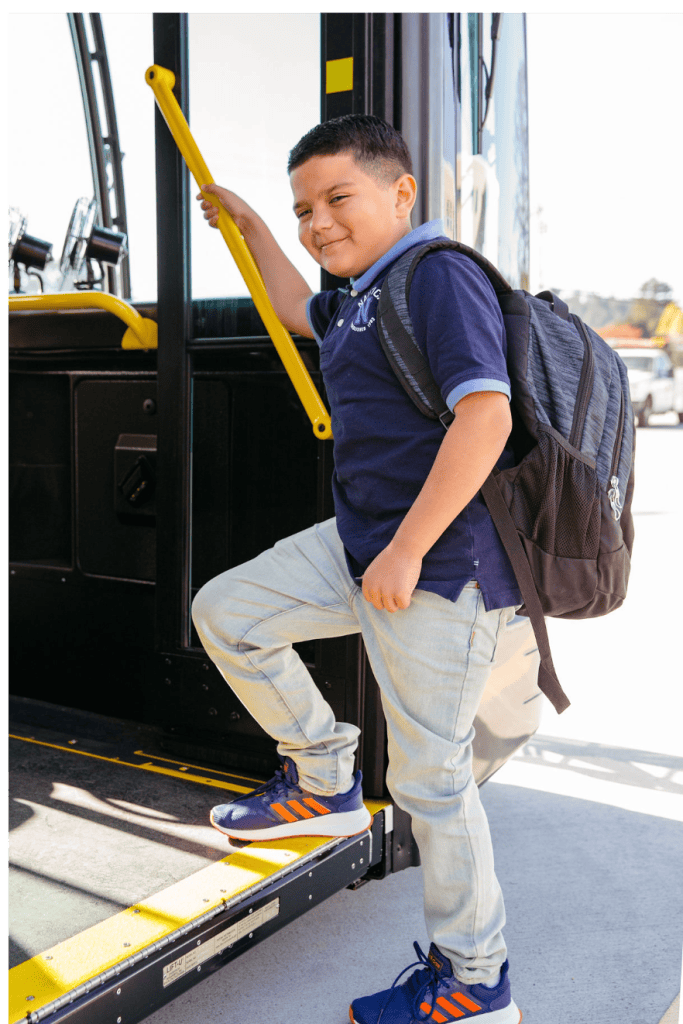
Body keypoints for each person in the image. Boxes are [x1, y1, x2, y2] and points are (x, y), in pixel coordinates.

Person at [192, 114, 523, 1024]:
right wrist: (254, 227)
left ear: (400, 192)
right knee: (229, 610)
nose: (318, 221)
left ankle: (474, 982)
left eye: (338, 198)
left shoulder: (437, 274)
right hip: (362, 546)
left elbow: (483, 419)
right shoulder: (357, 295)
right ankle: (325, 776)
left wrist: (410, 548)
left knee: (430, 782)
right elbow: (297, 305)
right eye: (305, 208)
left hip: (437, 566)